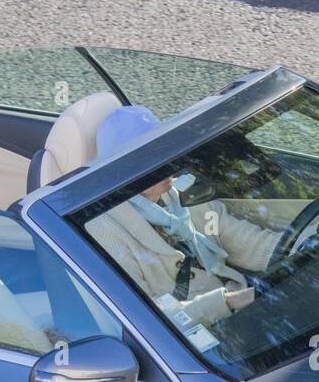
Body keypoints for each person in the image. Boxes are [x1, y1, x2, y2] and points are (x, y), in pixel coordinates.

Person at [90, 106, 284, 326]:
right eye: (150, 158)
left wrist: (303, 244)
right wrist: (229, 302)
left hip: (244, 311)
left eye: (166, 150)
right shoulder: (104, 233)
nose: (167, 164)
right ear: (121, 171)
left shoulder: (182, 196)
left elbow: (248, 242)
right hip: (196, 342)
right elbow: (148, 323)